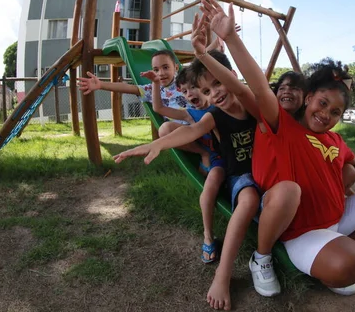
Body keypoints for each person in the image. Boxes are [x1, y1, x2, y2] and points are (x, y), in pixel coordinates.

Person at [200, 0, 355, 297]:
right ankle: (263, 257)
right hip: (303, 232)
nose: (326, 114)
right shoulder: (281, 124)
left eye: (335, 112)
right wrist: (231, 38)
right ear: (308, 98)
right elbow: (253, 86)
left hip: (337, 217)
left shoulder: (334, 139)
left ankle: (343, 246)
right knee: (352, 265)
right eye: (323, 103)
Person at [113, 19, 267, 310]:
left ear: (231, 77)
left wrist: (214, 45)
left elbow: (248, 82)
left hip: (267, 172)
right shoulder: (209, 114)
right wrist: (154, 145)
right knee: (245, 197)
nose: (213, 94)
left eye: (217, 85)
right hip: (238, 173)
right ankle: (220, 266)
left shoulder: (252, 104)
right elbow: (186, 129)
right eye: (206, 92)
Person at [140, 65, 225, 263]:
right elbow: (159, 109)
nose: (189, 94)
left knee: (213, 181)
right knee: (165, 128)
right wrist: (155, 83)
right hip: (213, 158)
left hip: (226, 159)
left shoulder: (220, 107)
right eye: (184, 91)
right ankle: (208, 236)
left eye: (193, 88)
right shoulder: (189, 113)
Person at [78, 50, 189, 123]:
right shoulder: (153, 89)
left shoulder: (186, 81)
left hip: (197, 122)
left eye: (165, 67)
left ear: (176, 68)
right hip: (179, 130)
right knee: (165, 130)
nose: (160, 73)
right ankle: (200, 151)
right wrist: (101, 84)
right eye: (156, 70)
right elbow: (128, 88)